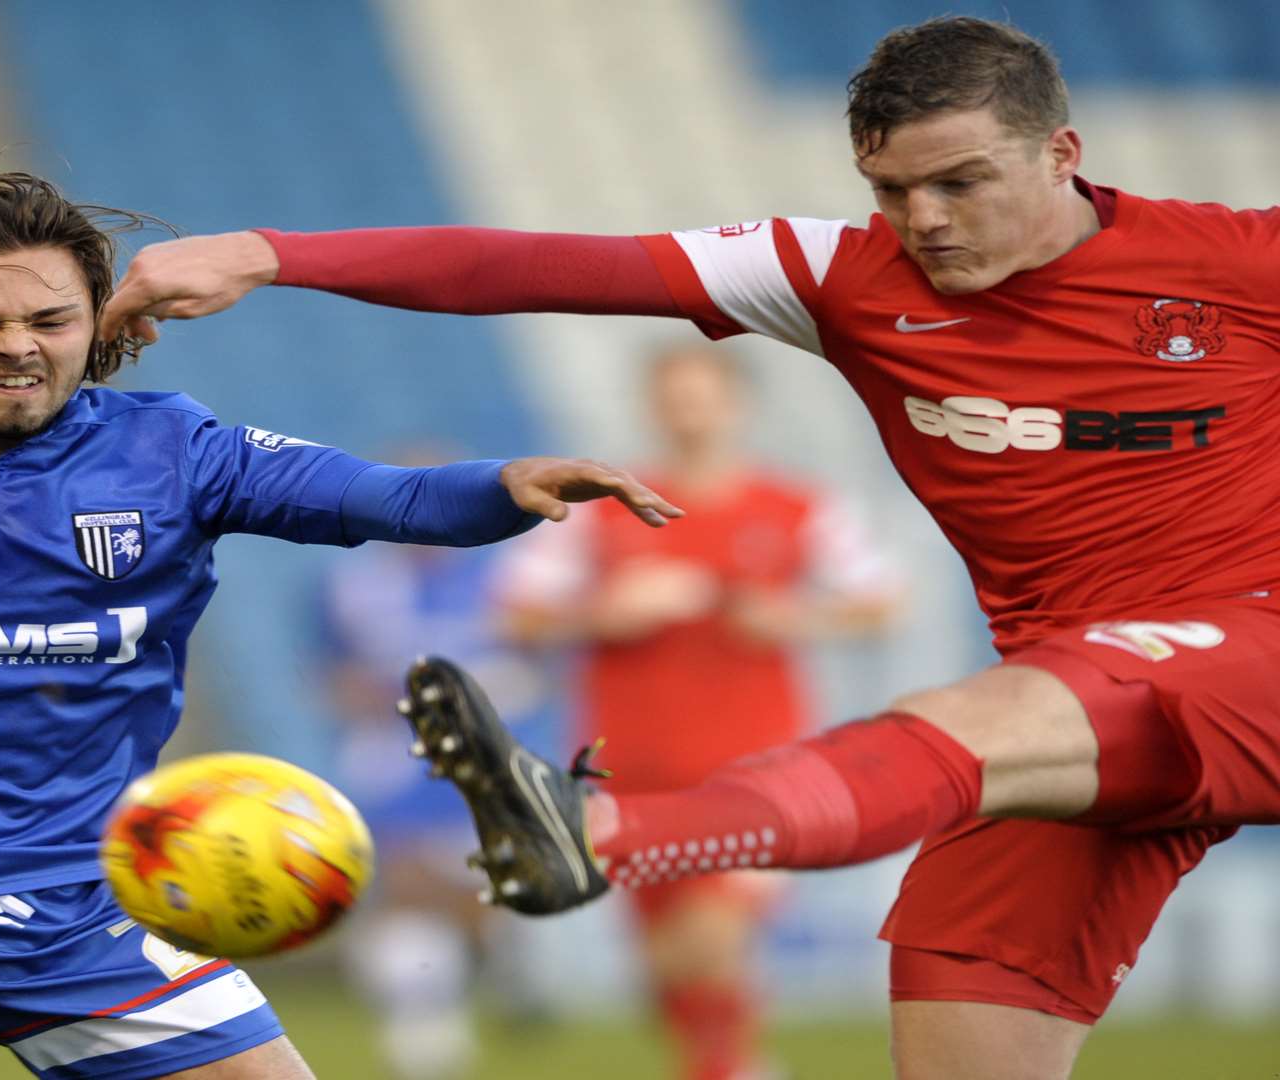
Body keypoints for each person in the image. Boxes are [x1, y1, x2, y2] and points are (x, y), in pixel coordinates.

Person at [97, 16, 1280, 1078]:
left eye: (960, 182)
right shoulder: (840, 278)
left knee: (989, 712)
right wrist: (267, 251)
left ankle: (602, 834)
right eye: (891, 188)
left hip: (1240, 645)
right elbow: (535, 268)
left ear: (1062, 155)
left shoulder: (1239, 262)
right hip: (1081, 696)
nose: (923, 219)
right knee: (962, 1013)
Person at [0, 172, 681, 1080]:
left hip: (93, 909)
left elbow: (384, 497)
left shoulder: (173, 451)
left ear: (95, 320)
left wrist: (508, 484)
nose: (18, 346)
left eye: (51, 318)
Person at [496, 344, 899, 1080]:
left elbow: (879, 602)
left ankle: (731, 1068)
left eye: (703, 395)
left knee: (712, 935)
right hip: (629, 763)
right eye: (674, 396)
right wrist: (603, 613)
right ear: (652, 406)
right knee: (662, 963)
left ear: (737, 404)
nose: (689, 411)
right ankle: (729, 1064)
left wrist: (793, 618)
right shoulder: (601, 508)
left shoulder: (797, 506)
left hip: (753, 760)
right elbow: (516, 617)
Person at [317, 455, 569, 1079]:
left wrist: (500, 691)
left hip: (483, 758)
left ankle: (496, 961)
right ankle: (426, 1025)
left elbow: (542, 667)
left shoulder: (504, 580)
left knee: (472, 887)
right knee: (403, 881)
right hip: (393, 756)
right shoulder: (350, 586)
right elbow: (334, 677)